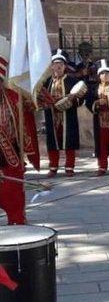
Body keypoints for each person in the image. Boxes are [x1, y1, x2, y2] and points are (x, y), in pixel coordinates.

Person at [0, 36, 40, 225]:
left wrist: (29, 104)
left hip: (12, 159)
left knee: (14, 202)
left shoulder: (13, 97)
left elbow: (27, 118)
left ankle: (18, 227)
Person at [43, 50, 84, 178]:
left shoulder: (72, 81)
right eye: (55, 63)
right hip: (52, 116)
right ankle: (53, 167)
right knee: (52, 142)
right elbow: (41, 97)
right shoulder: (47, 82)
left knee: (69, 142)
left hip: (68, 115)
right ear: (52, 66)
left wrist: (72, 100)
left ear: (65, 66)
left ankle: (69, 167)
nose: (58, 66)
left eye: (61, 63)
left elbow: (81, 97)